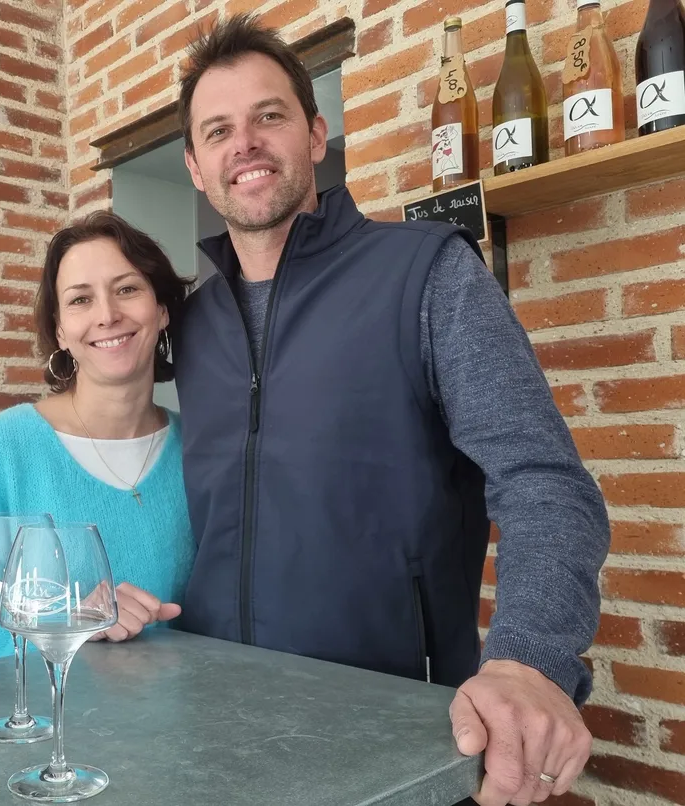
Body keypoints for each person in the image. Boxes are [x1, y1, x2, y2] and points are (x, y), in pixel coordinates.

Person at [171, 13, 610, 806]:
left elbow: (542, 479)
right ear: (196, 168)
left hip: (396, 741)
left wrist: (528, 659)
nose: (246, 143)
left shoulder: (427, 272)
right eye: (219, 130)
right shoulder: (190, 326)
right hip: (217, 734)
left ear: (315, 134)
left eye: (269, 116)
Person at [0, 211, 196, 666]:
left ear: (163, 309)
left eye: (127, 289)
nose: (108, 315)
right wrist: (61, 624)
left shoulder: (204, 449)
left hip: (192, 726)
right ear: (59, 330)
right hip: (40, 730)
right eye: (80, 300)